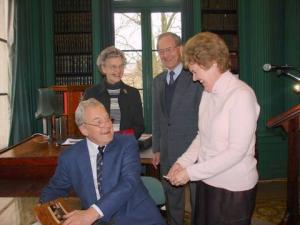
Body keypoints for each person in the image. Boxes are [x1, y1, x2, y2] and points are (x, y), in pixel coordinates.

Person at [167, 32, 260, 225]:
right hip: (207, 181)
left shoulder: (241, 95)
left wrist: (190, 173)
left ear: (213, 64)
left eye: (195, 71)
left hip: (234, 189)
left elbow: (236, 152)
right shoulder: (208, 93)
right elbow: (202, 136)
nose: (193, 78)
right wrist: (182, 162)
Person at [39, 98, 165, 225]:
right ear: (84, 129)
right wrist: (46, 213)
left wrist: (91, 213)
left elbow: (129, 182)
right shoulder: (70, 157)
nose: (107, 125)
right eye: (98, 122)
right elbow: (55, 189)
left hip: (136, 219)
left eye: (107, 119)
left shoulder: (126, 143)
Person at [152, 32, 203, 225]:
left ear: (180, 49)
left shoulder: (195, 77)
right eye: (161, 51)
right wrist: (157, 148)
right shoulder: (157, 81)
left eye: (169, 49)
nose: (165, 55)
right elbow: (157, 118)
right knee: (173, 201)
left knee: (199, 200)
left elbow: (204, 116)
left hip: (195, 149)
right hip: (167, 151)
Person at [84, 46, 144, 139]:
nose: (118, 70)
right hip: (100, 146)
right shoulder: (91, 93)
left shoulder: (133, 93)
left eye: (121, 66)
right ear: (103, 68)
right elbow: (87, 124)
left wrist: (120, 140)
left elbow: (139, 127)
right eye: (113, 67)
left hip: (125, 146)